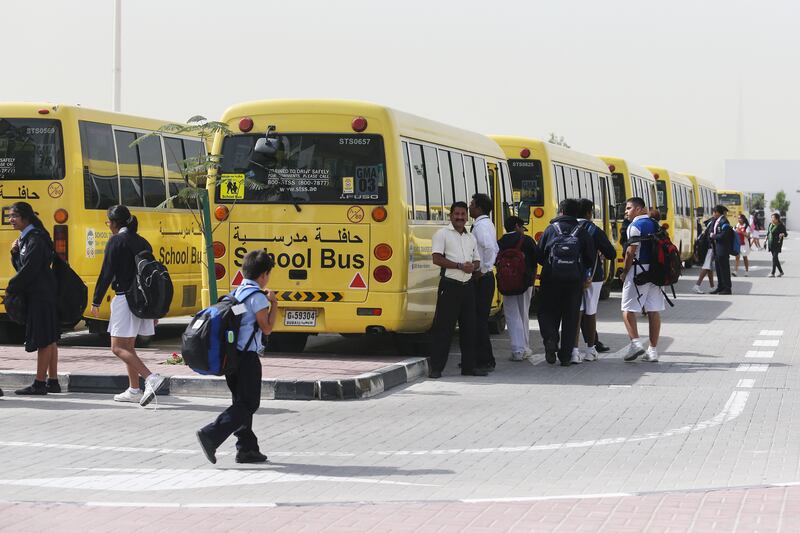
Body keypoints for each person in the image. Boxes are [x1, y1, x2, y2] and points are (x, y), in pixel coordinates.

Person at [197, 250, 278, 464]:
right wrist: (275, 303)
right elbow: (267, 328)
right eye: (268, 274)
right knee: (249, 404)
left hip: (231, 357)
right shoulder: (258, 298)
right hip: (247, 358)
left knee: (240, 402)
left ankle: (247, 449)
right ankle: (211, 434)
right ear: (263, 275)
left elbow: (239, 318)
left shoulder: (238, 293)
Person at [90, 205, 167, 406]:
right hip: (142, 300)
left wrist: (96, 300)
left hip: (125, 298)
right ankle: (134, 389)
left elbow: (106, 272)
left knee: (117, 347)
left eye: (108, 222)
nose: (108, 226)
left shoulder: (116, 241)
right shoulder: (142, 241)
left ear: (114, 223)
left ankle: (151, 377)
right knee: (129, 347)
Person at [428, 202, 488, 378]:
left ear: (467, 216)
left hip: (467, 287)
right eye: (457, 214)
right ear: (450, 216)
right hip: (449, 286)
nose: (460, 218)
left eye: (463, 214)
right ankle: (437, 368)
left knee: (470, 329)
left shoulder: (470, 237)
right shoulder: (442, 234)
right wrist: (459, 266)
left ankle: (469, 367)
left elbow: (476, 260)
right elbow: (437, 258)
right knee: (443, 329)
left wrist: (472, 266)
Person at [7, 202, 60, 395]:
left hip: (41, 295)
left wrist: (12, 287)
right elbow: (24, 266)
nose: (11, 220)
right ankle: (52, 381)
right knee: (50, 337)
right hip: (40, 293)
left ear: (25, 217)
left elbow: (30, 269)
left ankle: (39, 383)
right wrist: (14, 253)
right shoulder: (28, 238)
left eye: (14, 216)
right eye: (10, 216)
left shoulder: (35, 238)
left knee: (44, 339)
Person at [536, 199, 595, 366]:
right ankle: (565, 355)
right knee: (571, 317)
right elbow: (590, 258)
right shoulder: (582, 232)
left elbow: (539, 255)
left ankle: (551, 339)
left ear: (560, 211)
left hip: (551, 279)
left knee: (547, 312)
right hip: (574, 281)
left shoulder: (550, 229)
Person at [618, 197, 664, 362]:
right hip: (657, 272)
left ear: (638, 209)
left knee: (628, 309)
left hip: (639, 271)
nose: (626, 212)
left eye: (629, 208)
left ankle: (635, 343)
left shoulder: (635, 226)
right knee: (653, 310)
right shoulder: (655, 224)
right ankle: (652, 351)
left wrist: (625, 271)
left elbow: (631, 251)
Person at [573, 199, 616, 362]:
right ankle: (590, 350)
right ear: (589, 213)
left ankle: (573, 351)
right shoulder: (593, 229)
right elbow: (611, 253)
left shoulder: (565, 227)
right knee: (590, 311)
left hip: (571, 274)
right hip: (592, 276)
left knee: (575, 312)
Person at [497, 216, 538, 361]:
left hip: (506, 283)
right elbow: (537, 258)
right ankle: (525, 348)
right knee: (523, 314)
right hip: (525, 283)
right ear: (516, 226)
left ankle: (516, 350)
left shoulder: (500, 241)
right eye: (521, 227)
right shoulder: (526, 240)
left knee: (511, 315)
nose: (522, 230)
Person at [469, 193, 499, 371]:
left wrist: (483, 269)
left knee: (479, 321)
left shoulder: (480, 227)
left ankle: (486, 359)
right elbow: (495, 247)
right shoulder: (487, 223)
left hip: (482, 279)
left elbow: (489, 248)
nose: (470, 207)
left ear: (479, 207)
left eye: (472, 204)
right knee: (477, 320)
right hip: (485, 277)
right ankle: (478, 357)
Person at [709, 205, 733, 295]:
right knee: (719, 269)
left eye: (714, 212)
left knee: (724, 269)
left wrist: (714, 236)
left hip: (723, 249)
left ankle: (727, 288)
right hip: (717, 249)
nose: (713, 214)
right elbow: (711, 231)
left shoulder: (724, 221)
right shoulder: (716, 220)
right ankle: (720, 287)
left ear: (718, 212)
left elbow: (725, 235)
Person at [692, 217, 716, 294]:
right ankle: (697, 285)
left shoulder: (710, 223)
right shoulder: (713, 223)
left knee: (709, 268)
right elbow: (710, 237)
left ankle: (712, 287)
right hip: (710, 248)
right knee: (706, 267)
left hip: (708, 248)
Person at [767, 213, 787, 277]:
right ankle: (781, 272)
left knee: (774, 257)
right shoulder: (770, 224)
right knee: (775, 258)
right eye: (772, 218)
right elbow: (768, 233)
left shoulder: (781, 225)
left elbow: (786, 234)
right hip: (771, 243)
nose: (772, 219)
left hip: (777, 244)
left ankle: (773, 273)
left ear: (777, 219)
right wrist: (765, 240)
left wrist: (782, 234)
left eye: (773, 218)